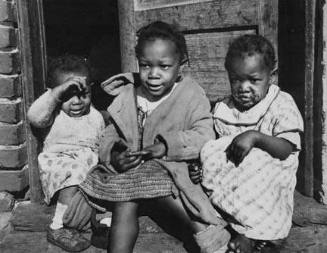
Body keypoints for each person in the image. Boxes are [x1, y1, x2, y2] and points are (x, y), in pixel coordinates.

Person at [77, 21, 230, 253]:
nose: (154, 75)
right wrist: (116, 153)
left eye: (164, 66)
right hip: (131, 177)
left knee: (150, 178)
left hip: (171, 175)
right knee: (125, 196)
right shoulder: (128, 95)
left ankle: (208, 231)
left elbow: (204, 134)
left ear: (181, 66)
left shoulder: (190, 95)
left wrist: (164, 147)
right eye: (146, 66)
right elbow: (111, 133)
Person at [192, 34, 303, 253]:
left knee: (257, 160)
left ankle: (253, 235)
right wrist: (202, 164)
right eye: (236, 79)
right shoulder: (224, 108)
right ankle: (235, 230)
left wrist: (256, 137)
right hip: (233, 182)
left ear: (271, 76)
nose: (243, 87)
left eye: (253, 80)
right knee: (210, 153)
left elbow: (286, 150)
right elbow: (215, 146)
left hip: (266, 182)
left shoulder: (280, 103)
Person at [27, 54, 105, 252]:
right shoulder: (54, 113)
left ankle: (99, 222)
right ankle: (57, 226)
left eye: (83, 94)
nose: (77, 102)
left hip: (86, 165)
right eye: (68, 96)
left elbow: (101, 141)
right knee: (76, 171)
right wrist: (55, 94)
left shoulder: (94, 115)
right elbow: (35, 117)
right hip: (60, 164)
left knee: (106, 172)